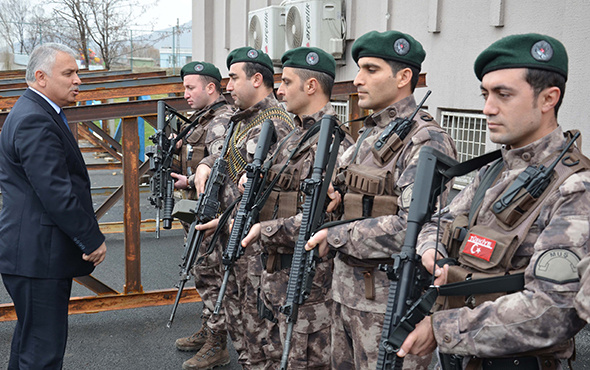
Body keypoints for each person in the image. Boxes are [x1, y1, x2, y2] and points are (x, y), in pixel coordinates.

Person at [400, 33, 590, 370]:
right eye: (485, 94)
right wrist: (434, 254)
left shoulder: (574, 187)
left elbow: (552, 312)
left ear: (548, 99)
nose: (487, 108)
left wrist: (442, 328)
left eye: (503, 94)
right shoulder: (493, 171)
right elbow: (437, 222)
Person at [304, 30, 457, 369]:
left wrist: (336, 234)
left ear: (404, 77)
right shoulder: (372, 132)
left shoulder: (425, 139)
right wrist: (338, 196)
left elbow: (414, 226)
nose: (358, 80)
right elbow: (363, 195)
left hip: (388, 303)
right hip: (346, 292)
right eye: (359, 69)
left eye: (371, 70)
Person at [181, 47, 295, 369]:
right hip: (231, 234)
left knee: (260, 330)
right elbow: (226, 156)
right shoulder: (244, 119)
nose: (228, 86)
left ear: (256, 79)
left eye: (234, 78)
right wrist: (204, 164)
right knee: (237, 319)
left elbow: (272, 191)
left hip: (255, 243)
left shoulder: (276, 123)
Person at [240, 46, 354, 369]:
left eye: (287, 82)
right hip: (275, 276)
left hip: (307, 287)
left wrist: (266, 230)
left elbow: (320, 220)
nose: (279, 89)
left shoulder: (334, 145)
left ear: (311, 86)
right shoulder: (293, 138)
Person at [0, 43, 107, 369]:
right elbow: (56, 192)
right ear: (41, 77)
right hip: (38, 256)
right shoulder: (35, 118)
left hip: (31, 254)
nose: (77, 80)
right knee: (42, 354)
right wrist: (91, 239)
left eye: (77, 72)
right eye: (69, 73)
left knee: (30, 343)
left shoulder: (34, 110)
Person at [168, 61, 235, 370]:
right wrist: (188, 178)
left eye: (190, 87)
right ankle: (209, 330)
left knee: (212, 276)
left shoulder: (221, 119)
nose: (185, 94)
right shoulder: (201, 118)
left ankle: (217, 344)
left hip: (213, 215)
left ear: (211, 88)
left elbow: (222, 161)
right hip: (197, 207)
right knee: (202, 274)